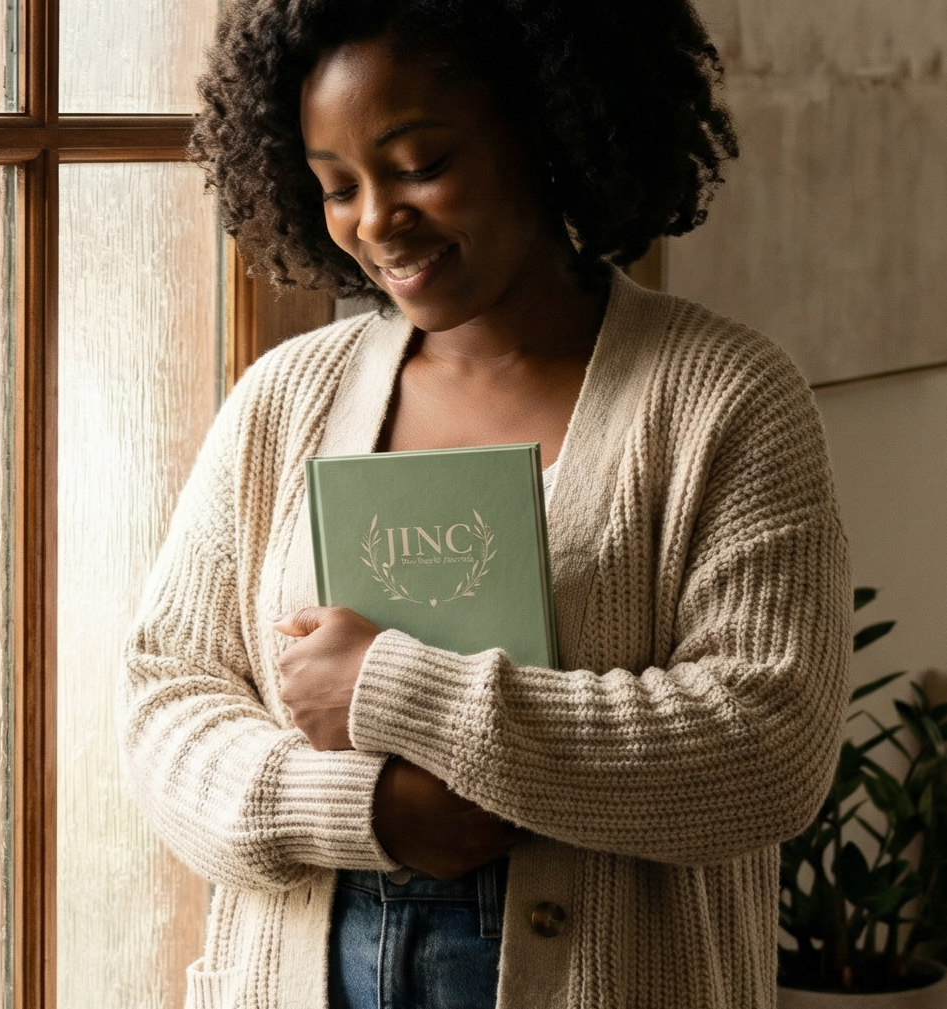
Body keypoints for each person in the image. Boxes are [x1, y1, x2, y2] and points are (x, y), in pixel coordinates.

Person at [118, 1, 852, 1007]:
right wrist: (361, 803)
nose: (375, 221)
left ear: (544, 129)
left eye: (419, 164)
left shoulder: (722, 396)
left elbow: (768, 746)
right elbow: (165, 695)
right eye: (337, 188)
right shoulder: (285, 397)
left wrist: (398, 691)